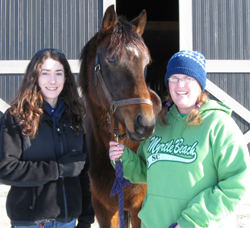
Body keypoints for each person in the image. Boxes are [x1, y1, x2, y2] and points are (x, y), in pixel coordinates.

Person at [109, 50, 250, 228]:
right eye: (174, 78)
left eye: (188, 78)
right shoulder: (159, 124)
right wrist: (124, 158)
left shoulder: (220, 125)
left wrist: (190, 222)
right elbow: (147, 172)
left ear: (200, 84)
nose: (180, 84)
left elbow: (235, 185)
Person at [0, 49, 95, 228]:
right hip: (30, 222)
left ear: (66, 78)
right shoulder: (16, 118)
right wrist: (57, 169)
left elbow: (83, 174)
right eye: (45, 73)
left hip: (68, 221)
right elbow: (5, 168)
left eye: (58, 73)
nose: (53, 80)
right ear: (34, 77)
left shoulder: (74, 119)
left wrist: (86, 219)